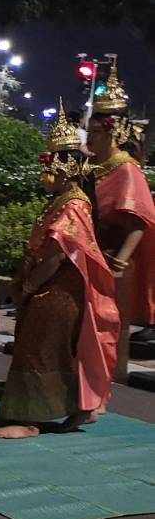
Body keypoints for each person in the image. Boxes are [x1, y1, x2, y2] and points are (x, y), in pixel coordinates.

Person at [0, 109, 119, 438]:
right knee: (52, 350)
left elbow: (56, 253)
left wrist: (30, 287)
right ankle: (79, 409)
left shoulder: (73, 204)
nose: (47, 172)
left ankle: (30, 420)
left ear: (68, 167)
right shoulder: (62, 200)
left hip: (55, 291)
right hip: (50, 290)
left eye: (51, 166)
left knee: (38, 350)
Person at [86, 60, 154, 374]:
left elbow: (140, 220)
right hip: (88, 250)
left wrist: (119, 262)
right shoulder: (90, 167)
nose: (90, 138)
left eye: (96, 133)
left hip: (113, 259)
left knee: (106, 325)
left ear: (113, 132)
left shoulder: (127, 169)